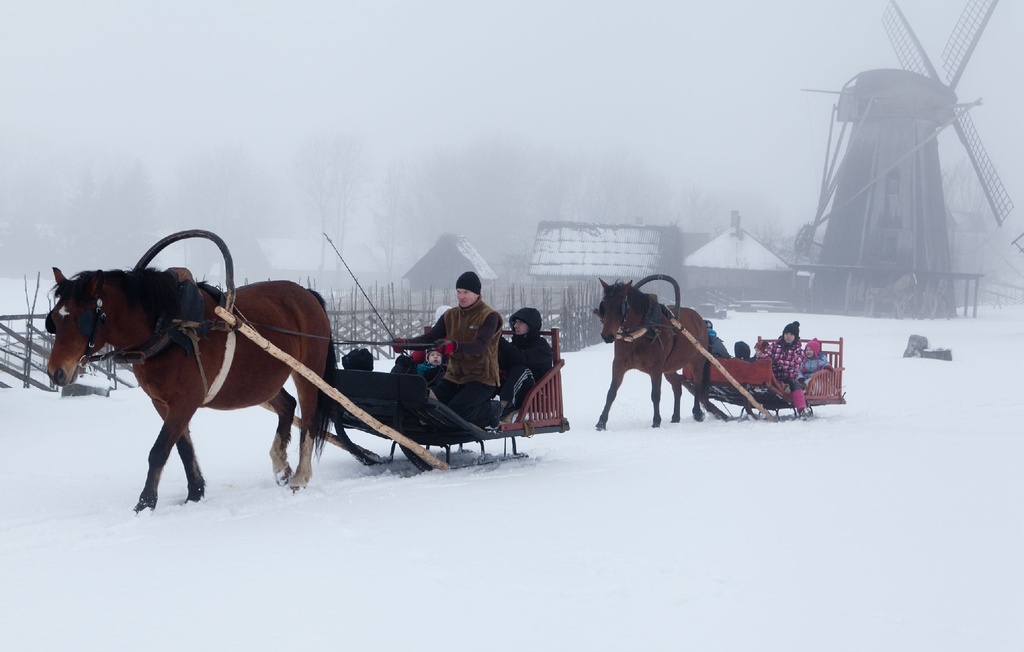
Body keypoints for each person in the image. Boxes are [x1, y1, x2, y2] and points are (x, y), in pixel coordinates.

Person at [391, 271, 504, 429]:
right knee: (429, 403)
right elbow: (429, 338)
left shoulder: (490, 316)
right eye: (458, 292)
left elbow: (480, 345)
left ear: (477, 293)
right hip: (453, 377)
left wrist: (454, 346)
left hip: (482, 379)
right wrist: (405, 343)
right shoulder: (449, 315)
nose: (461, 296)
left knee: (457, 412)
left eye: (466, 292)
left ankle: (491, 410)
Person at [496, 307, 552, 418]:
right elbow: (504, 361)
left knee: (521, 370)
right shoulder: (516, 343)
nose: (515, 325)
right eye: (515, 322)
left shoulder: (541, 346)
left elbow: (520, 358)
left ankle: (502, 406)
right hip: (516, 392)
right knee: (493, 368)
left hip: (535, 398)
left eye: (520, 322)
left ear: (531, 325)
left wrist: (499, 340)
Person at [756, 320, 809, 418]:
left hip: (789, 376)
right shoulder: (775, 346)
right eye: (786, 333)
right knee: (764, 382)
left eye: (791, 334)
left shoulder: (799, 351)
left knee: (794, 384)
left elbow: (793, 365)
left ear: (795, 337)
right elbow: (765, 356)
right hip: (774, 375)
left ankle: (802, 408)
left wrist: (777, 362)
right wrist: (770, 361)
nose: (788, 336)